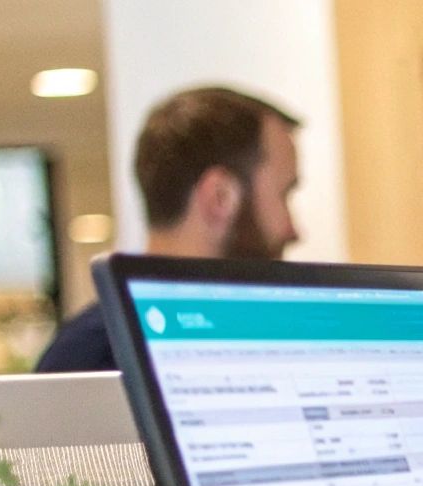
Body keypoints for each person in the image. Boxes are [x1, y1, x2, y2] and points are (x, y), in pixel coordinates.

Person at [35, 86, 301, 372]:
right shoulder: (93, 359)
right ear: (220, 197)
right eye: (284, 194)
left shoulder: (259, 338)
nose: (295, 231)